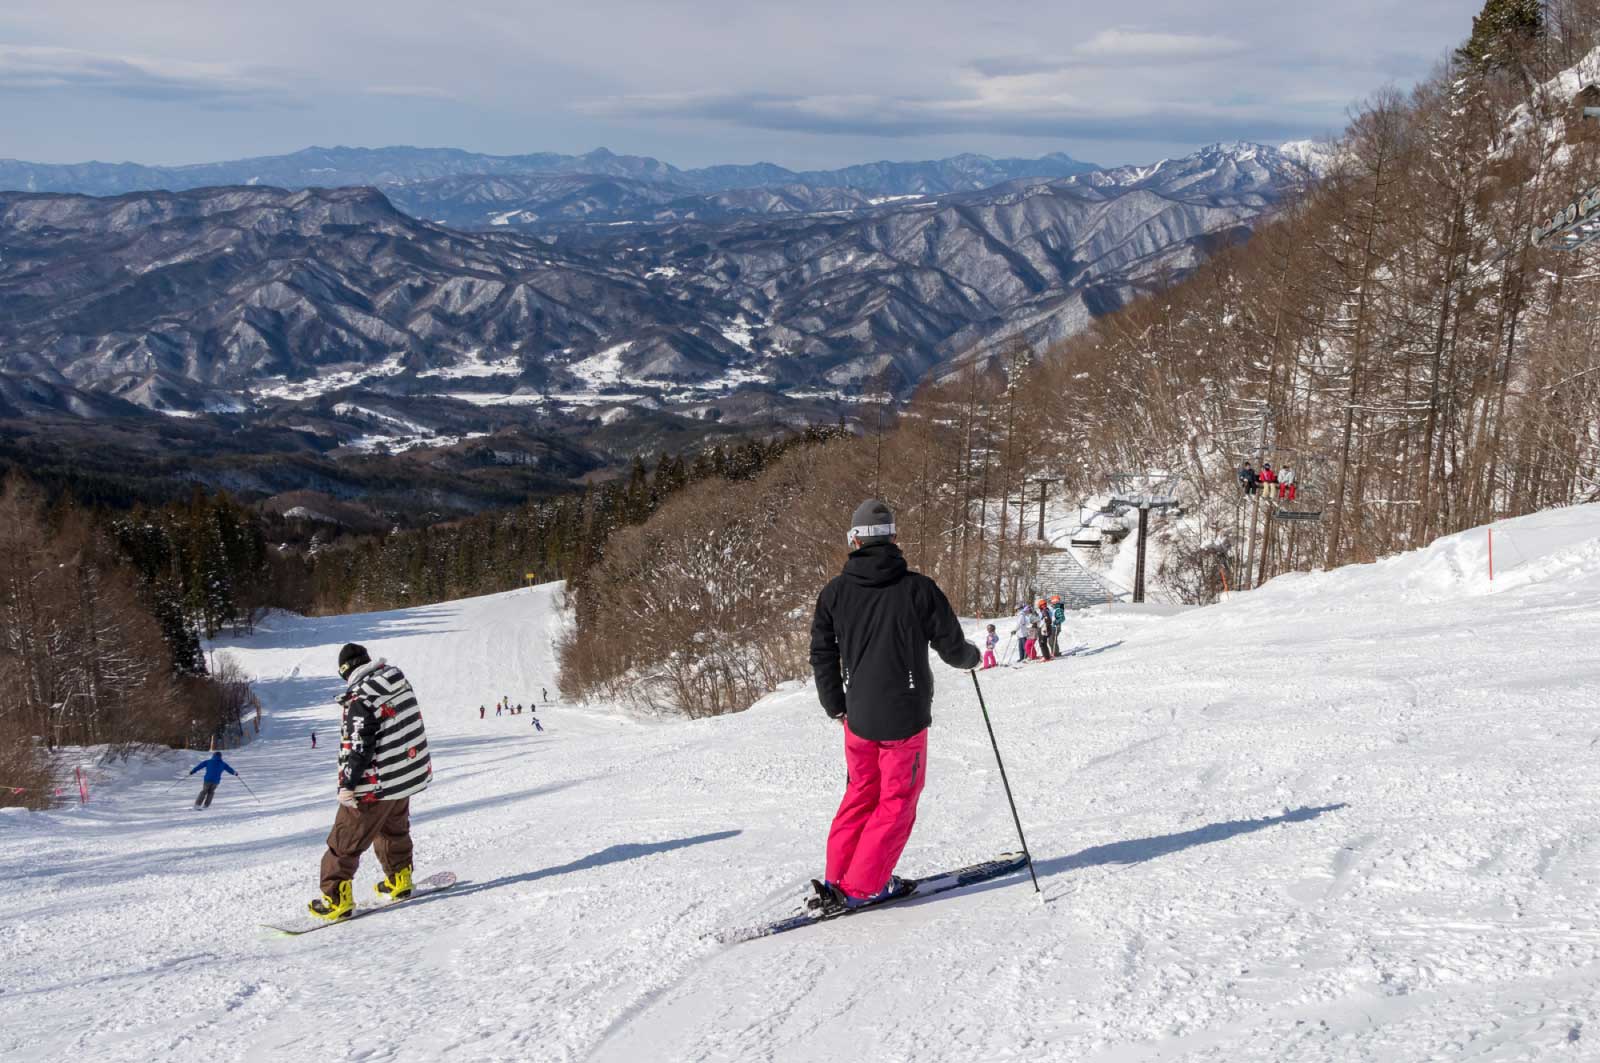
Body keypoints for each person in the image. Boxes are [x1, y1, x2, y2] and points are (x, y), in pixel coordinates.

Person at [809, 499, 980, 912]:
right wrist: (972, 658)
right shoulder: (918, 589)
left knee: (860, 794)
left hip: (859, 718)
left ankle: (839, 877)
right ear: (893, 539)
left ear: (854, 540)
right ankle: (864, 886)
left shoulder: (835, 592)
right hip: (905, 717)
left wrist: (836, 705)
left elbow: (822, 653)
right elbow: (952, 647)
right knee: (897, 801)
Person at [308, 643, 433, 921]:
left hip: (375, 784)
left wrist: (347, 785)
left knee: (345, 840)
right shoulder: (396, 680)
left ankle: (335, 898)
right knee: (393, 830)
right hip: (403, 776)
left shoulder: (360, 698)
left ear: (345, 672)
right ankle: (399, 879)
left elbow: (358, 745)